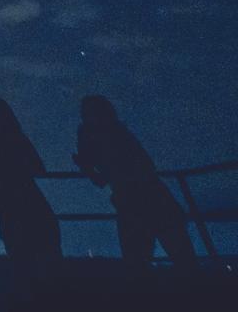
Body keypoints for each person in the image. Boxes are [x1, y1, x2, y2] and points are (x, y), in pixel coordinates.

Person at [73, 95, 196, 266]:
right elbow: (146, 165)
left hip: (131, 203)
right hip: (156, 198)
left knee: (137, 262)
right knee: (183, 258)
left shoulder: (91, 134)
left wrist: (85, 165)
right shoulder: (119, 132)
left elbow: (100, 180)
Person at [0, 98, 61, 264]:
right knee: (45, 249)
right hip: (32, 198)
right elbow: (39, 168)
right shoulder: (17, 136)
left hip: (8, 201)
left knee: (19, 252)